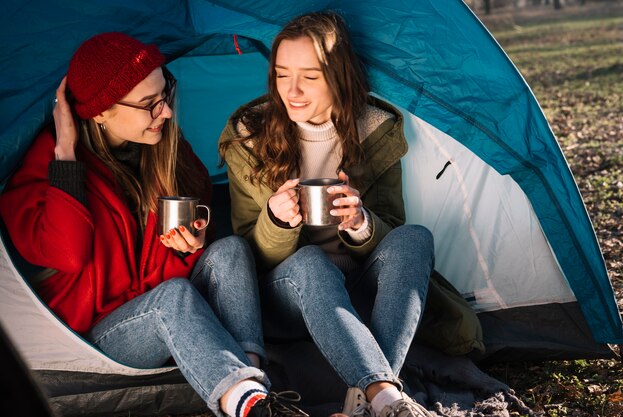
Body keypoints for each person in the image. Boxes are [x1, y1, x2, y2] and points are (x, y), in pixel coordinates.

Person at [0, 32, 308, 417]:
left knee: (231, 249)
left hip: (166, 300)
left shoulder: (164, 147)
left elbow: (197, 220)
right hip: (102, 334)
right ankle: (249, 402)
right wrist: (65, 151)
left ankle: (255, 394)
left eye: (166, 94)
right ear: (100, 112)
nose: (164, 112)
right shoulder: (48, 166)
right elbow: (69, 253)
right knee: (173, 298)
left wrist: (194, 242)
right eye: (149, 104)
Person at [219, 12, 434, 417]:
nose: (292, 90)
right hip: (288, 295)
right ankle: (386, 397)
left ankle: (369, 399)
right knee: (310, 262)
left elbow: (393, 229)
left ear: (338, 76)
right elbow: (243, 254)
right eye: (282, 75)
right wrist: (276, 221)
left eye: (310, 77)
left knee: (415, 238)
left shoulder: (375, 130)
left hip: (356, 288)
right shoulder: (249, 135)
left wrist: (361, 223)